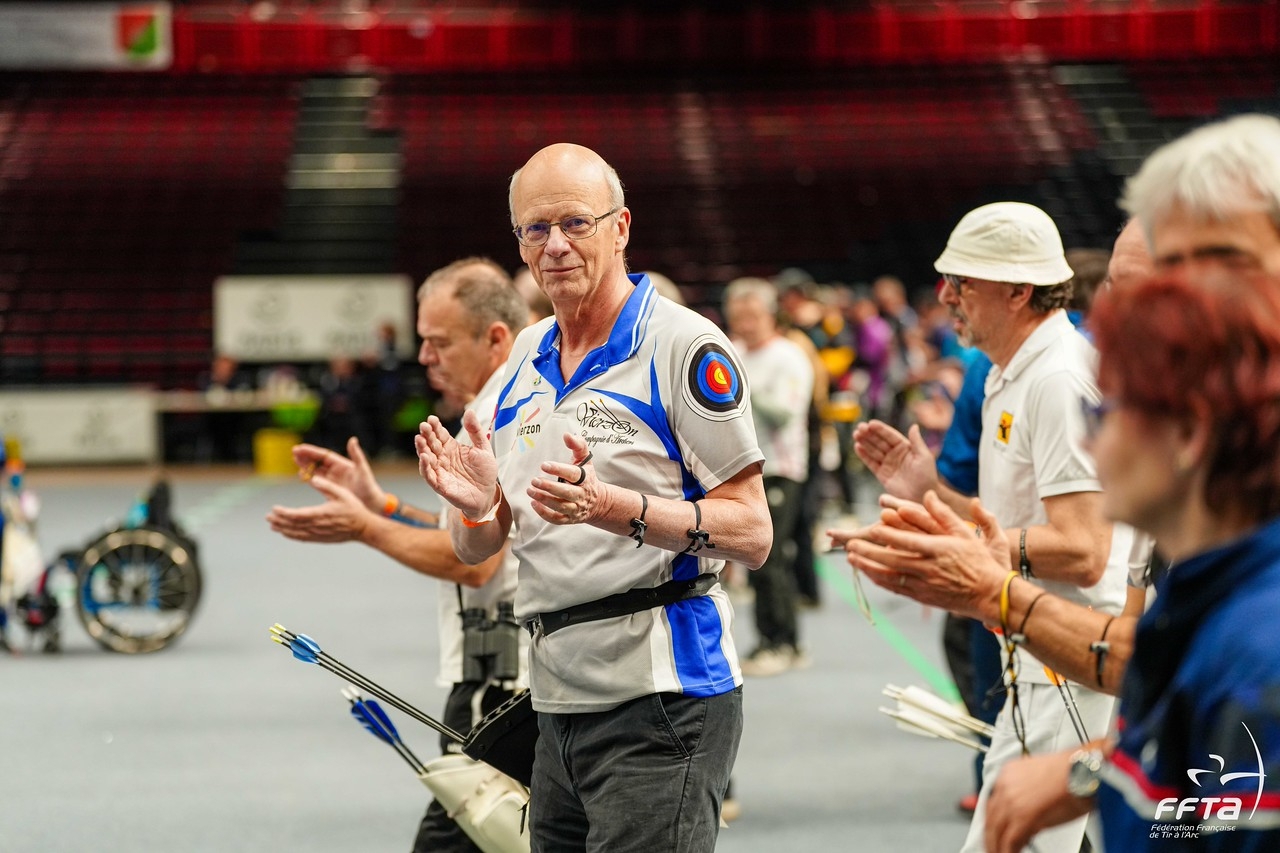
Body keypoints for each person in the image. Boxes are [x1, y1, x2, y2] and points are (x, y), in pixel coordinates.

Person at [415, 142, 772, 852]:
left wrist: (615, 507)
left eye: (575, 223)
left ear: (621, 227)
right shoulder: (524, 356)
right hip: (555, 701)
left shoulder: (682, 347)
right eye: (534, 230)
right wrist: (479, 506)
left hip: (664, 697)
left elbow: (752, 530)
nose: (554, 246)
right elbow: (480, 546)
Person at [847, 201, 1132, 853]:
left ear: (1018, 290)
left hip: (1074, 668)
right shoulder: (1013, 371)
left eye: (962, 281)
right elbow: (1005, 529)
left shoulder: (1058, 378)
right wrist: (930, 495)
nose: (946, 296)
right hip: (1037, 660)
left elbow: (1086, 551)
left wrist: (961, 548)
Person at [987, 267, 1280, 851]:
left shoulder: (1257, 657)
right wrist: (1088, 775)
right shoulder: (1212, 592)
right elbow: (1190, 801)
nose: (1091, 442)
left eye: (1106, 413)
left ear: (1189, 434)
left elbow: (1202, 823)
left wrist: (990, 589)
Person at [266, 257, 529, 853]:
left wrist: (367, 529)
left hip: (501, 690)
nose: (425, 357)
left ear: (494, 338)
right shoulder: (496, 412)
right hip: (503, 678)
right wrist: (381, 507)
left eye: (440, 342)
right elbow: (471, 537)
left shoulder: (497, 420)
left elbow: (475, 562)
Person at [723, 276, 815, 676]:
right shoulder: (731, 351)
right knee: (753, 558)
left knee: (772, 558)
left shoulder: (789, 356)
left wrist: (739, 389)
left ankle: (785, 642)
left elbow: (786, 414)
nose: (745, 323)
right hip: (741, 469)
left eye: (752, 314)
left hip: (780, 468)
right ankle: (767, 639)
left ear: (769, 313)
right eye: (738, 315)